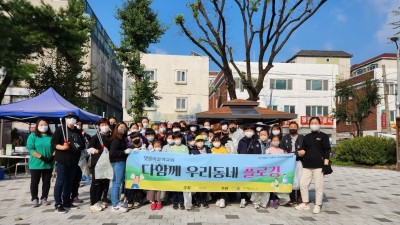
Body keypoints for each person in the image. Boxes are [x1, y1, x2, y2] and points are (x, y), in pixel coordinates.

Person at [295, 117, 331, 214]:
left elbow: (327, 151)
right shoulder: (306, 137)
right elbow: (303, 149)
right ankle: (305, 203)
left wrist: (326, 164)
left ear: (319, 124)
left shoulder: (324, 136)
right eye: (312, 123)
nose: (314, 124)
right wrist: (301, 152)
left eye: (316, 123)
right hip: (307, 165)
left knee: (318, 186)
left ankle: (318, 205)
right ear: (309, 125)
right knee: (303, 184)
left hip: (319, 165)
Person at [52, 112, 84, 213]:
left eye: (73, 118)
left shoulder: (77, 131)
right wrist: (62, 147)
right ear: (65, 119)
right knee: (60, 181)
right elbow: (53, 143)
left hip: (74, 160)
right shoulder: (60, 129)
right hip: (62, 159)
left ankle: (67, 201)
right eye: (69, 117)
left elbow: (82, 143)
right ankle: (58, 203)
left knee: (69, 182)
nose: (72, 119)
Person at [27, 119, 54, 207]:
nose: (43, 126)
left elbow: (56, 147)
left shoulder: (51, 136)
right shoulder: (33, 136)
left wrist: (52, 157)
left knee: (46, 182)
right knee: (35, 182)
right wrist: (41, 157)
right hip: (36, 164)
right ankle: (34, 198)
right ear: (37, 126)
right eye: (41, 124)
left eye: (45, 124)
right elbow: (30, 149)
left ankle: (44, 198)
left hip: (48, 163)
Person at [87, 118, 111, 212]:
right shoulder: (96, 137)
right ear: (99, 126)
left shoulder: (108, 137)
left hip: (106, 164)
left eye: (106, 124)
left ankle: (98, 200)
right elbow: (89, 149)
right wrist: (98, 151)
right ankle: (93, 203)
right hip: (97, 163)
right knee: (95, 183)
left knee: (102, 183)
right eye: (102, 125)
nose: (104, 127)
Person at [280, 121, 304, 205]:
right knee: (291, 179)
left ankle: (300, 197)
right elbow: (282, 147)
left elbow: (305, 148)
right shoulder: (285, 137)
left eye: (294, 127)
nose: (292, 128)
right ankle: (292, 197)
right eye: (291, 127)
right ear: (288, 128)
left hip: (299, 161)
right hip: (289, 163)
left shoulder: (302, 138)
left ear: (297, 128)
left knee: (300, 179)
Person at [237, 124, 261, 208]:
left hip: (254, 166)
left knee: (254, 182)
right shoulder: (241, 141)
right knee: (243, 182)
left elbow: (259, 154)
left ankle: (255, 200)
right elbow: (239, 152)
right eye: (247, 130)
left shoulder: (257, 141)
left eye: (250, 130)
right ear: (244, 131)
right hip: (244, 165)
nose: (249, 132)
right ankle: (243, 199)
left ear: (254, 132)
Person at [109, 122, 130, 213]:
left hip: (121, 162)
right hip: (117, 162)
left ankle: (116, 201)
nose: (123, 129)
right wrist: (123, 152)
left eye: (124, 128)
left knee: (119, 182)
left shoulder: (122, 139)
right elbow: (112, 153)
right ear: (117, 128)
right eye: (121, 127)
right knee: (116, 183)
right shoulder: (115, 139)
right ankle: (115, 205)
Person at [168, 132, 189, 210]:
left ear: (182, 139)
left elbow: (187, 158)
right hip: (174, 170)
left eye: (178, 138)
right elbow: (170, 159)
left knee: (181, 187)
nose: (177, 140)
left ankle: (181, 202)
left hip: (182, 170)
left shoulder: (185, 147)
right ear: (173, 140)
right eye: (175, 139)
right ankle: (175, 202)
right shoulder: (171, 148)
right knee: (174, 187)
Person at [190, 135, 211, 209]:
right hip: (197, 171)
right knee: (197, 187)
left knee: (205, 187)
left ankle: (204, 201)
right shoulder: (193, 150)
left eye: (201, 141)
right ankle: (197, 201)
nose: (200, 142)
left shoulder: (208, 149)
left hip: (206, 170)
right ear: (195, 143)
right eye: (198, 141)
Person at [265, 135, 285, 209]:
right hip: (270, 171)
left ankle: (276, 199)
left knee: (277, 186)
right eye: (274, 140)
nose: (275, 142)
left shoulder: (281, 151)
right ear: (271, 141)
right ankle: (270, 199)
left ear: (279, 141)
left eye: (277, 140)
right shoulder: (268, 150)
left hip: (279, 171)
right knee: (270, 185)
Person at [210, 136, 229, 208]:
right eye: (214, 141)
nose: (216, 143)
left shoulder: (224, 149)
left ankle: (222, 198)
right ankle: (217, 198)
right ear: (212, 142)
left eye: (218, 141)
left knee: (221, 184)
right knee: (216, 185)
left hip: (222, 170)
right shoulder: (211, 149)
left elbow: (227, 159)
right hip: (213, 170)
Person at [146, 140, 163, 210]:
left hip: (160, 173)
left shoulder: (164, 154)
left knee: (159, 188)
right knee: (151, 188)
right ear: (153, 147)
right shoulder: (150, 153)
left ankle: (159, 202)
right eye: (155, 146)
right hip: (151, 173)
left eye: (158, 146)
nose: (157, 148)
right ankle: (152, 201)